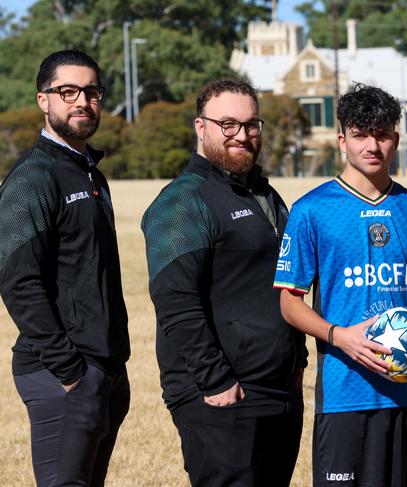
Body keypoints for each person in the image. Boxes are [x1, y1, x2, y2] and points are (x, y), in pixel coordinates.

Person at [274, 84, 407, 487]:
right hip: (344, 392)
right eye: (360, 134)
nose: (373, 145)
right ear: (342, 140)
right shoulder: (311, 210)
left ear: (397, 137)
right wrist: (339, 337)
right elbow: (289, 302)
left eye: (383, 133)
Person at [141, 79, 306, 487]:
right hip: (221, 396)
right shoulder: (184, 201)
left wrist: (296, 365)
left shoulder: (264, 195)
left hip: (278, 390)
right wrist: (216, 381)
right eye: (228, 124)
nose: (242, 135)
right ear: (201, 127)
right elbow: (175, 300)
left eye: (251, 125)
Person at [0, 50, 130, 486]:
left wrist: (108, 370)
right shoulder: (33, 178)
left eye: (91, 92)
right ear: (44, 100)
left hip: (104, 369)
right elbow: (18, 283)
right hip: (62, 374)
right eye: (67, 91)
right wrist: (71, 372)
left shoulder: (89, 171)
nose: (82, 101)